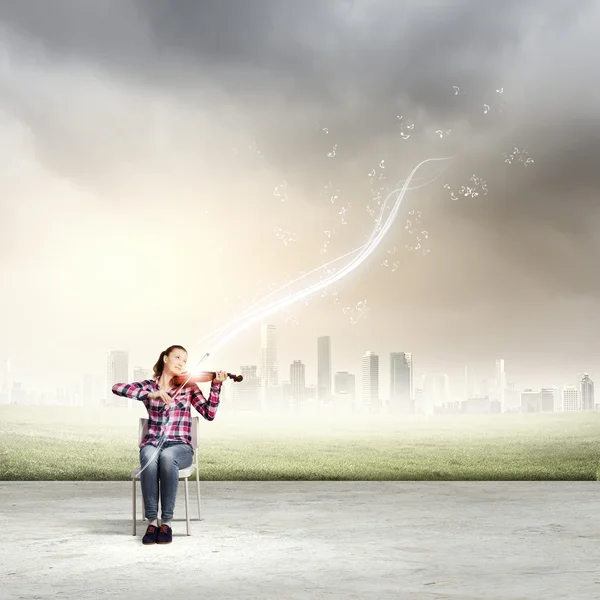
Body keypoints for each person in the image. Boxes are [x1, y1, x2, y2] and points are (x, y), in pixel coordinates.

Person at [112, 344, 227, 545]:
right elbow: (117, 388)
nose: (181, 363)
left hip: (180, 446)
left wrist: (216, 385)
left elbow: (209, 414)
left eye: (184, 360)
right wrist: (150, 395)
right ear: (165, 358)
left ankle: (166, 522)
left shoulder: (189, 386)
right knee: (149, 456)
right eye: (177, 358)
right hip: (153, 442)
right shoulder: (148, 386)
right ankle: (152, 522)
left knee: (167, 457)